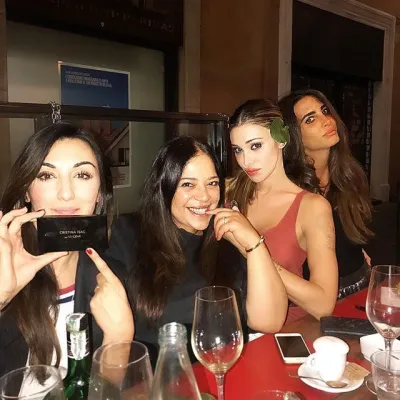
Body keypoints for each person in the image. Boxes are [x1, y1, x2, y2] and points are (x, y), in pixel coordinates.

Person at [107, 136, 288, 362]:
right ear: (164, 186)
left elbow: (270, 322)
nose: (204, 197)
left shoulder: (227, 239)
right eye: (188, 184)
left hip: (221, 370)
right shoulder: (128, 234)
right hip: (157, 376)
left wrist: (253, 244)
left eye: (212, 183)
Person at [0, 122, 133, 378]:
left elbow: (107, 391)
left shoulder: (114, 280)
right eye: (46, 176)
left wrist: (119, 338)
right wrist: (3, 296)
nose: (66, 194)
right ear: (26, 191)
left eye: (82, 175)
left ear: (100, 194)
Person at [224, 99, 338, 324]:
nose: (246, 161)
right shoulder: (227, 193)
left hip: (281, 330)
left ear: (281, 139)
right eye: (238, 150)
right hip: (229, 324)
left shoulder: (311, 207)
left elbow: (324, 305)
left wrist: (253, 249)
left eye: (255, 146)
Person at [279, 89, 373, 299]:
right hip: (315, 301)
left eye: (324, 111)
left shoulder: (349, 175)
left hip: (361, 285)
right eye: (310, 119)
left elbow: (353, 235)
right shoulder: (290, 191)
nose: (327, 121)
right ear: (294, 136)